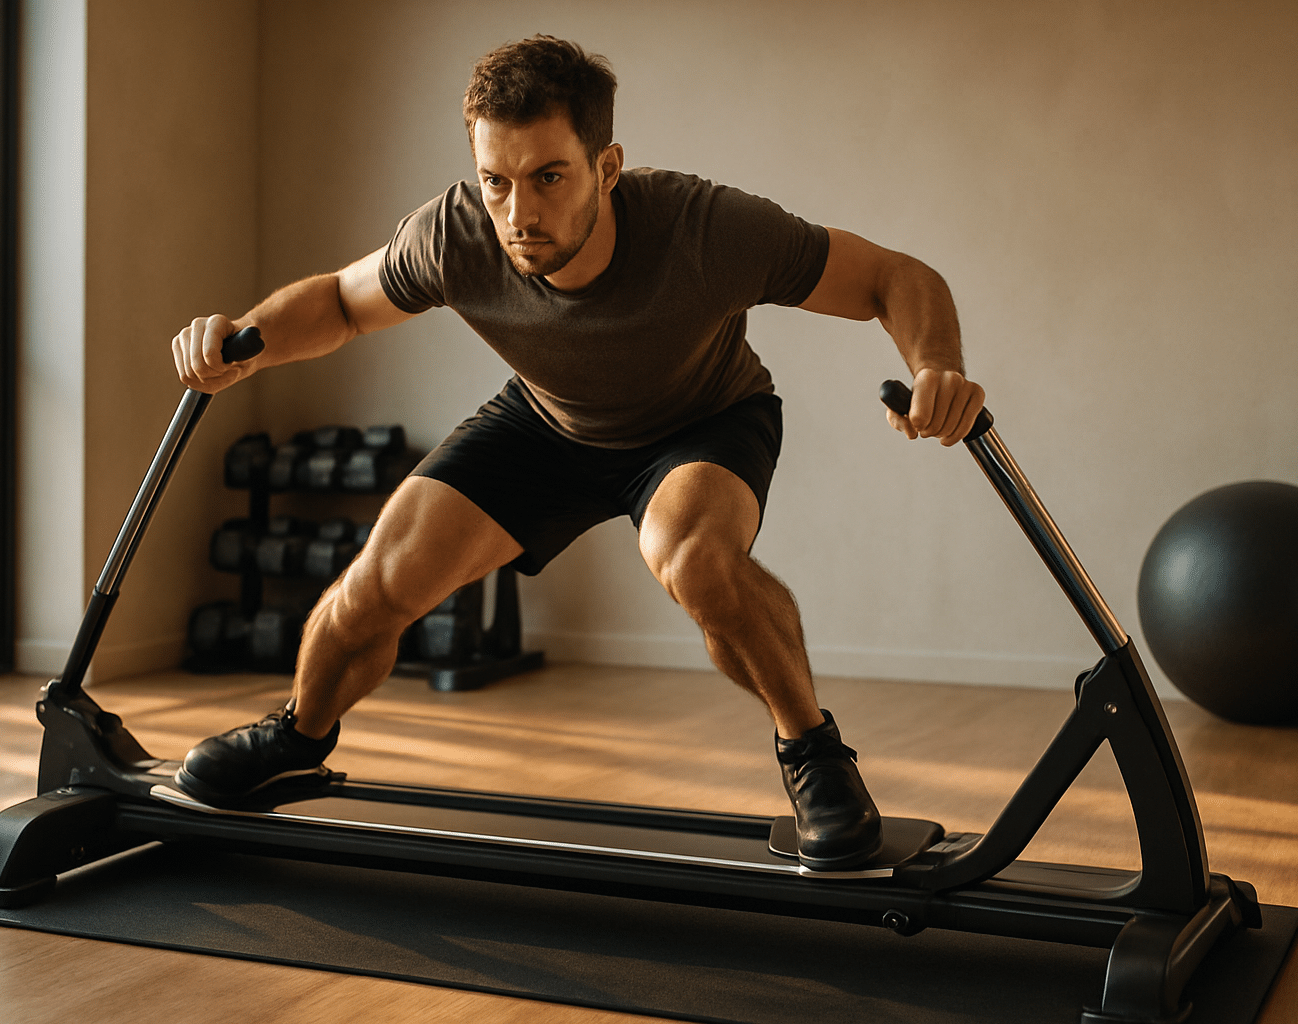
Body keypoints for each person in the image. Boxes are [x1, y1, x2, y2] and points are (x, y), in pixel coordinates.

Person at [170, 35, 985, 870]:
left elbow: (891, 277)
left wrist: (936, 367)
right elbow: (344, 302)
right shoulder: (456, 233)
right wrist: (246, 344)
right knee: (376, 583)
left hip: (701, 420)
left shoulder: (705, 228)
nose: (518, 213)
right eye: (496, 180)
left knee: (697, 561)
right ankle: (298, 736)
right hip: (548, 422)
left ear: (607, 167)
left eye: (549, 177)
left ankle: (812, 751)